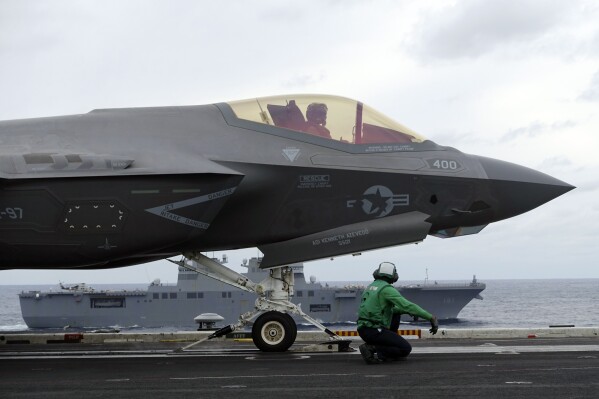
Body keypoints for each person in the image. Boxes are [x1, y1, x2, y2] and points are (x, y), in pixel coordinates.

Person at [357, 262, 439, 364]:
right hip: (374, 330)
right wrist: (431, 317)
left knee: (396, 314)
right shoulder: (386, 289)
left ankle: (384, 353)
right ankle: (371, 348)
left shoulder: (371, 287)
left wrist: (407, 311)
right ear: (393, 276)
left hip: (364, 329)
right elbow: (407, 305)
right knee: (405, 349)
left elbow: (391, 309)